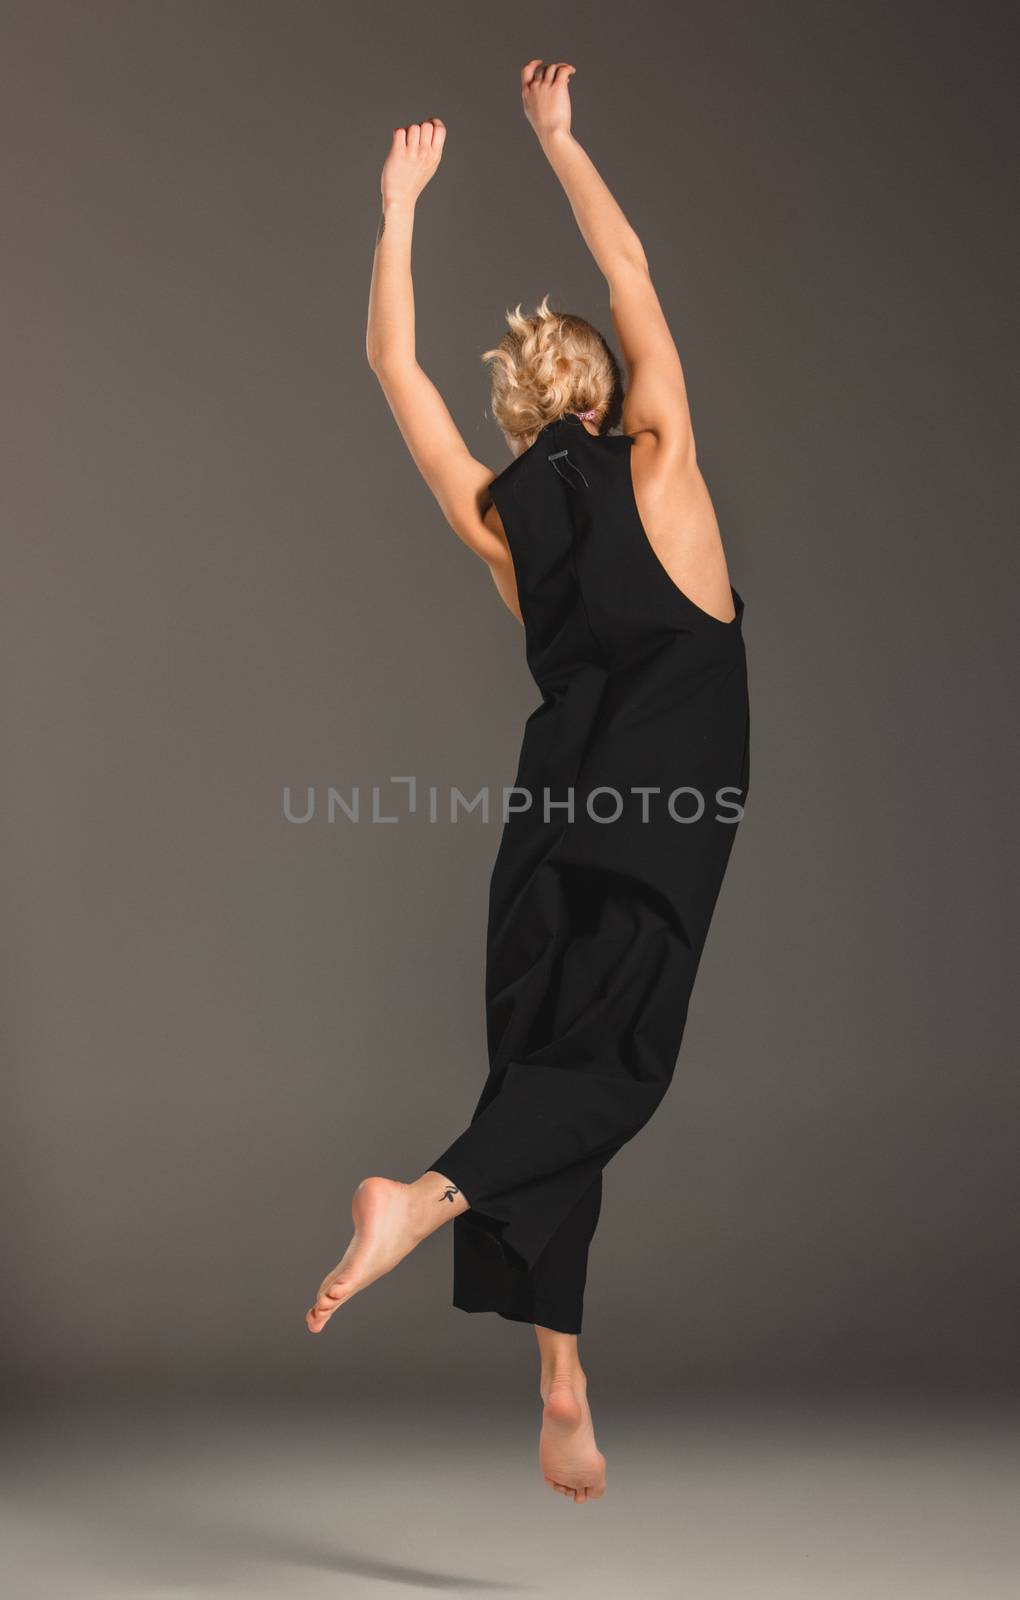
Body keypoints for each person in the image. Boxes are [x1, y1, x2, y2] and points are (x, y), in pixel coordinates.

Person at [306, 60, 750, 1507]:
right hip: (662, 818)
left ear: (516, 410)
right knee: (611, 1077)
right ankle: (419, 1201)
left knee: (542, 1083)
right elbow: (626, 261)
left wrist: (397, 213)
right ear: (607, 387)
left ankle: (561, 1383)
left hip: (548, 820)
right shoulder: (664, 456)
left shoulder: (503, 520)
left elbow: (394, 372)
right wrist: (559, 140)